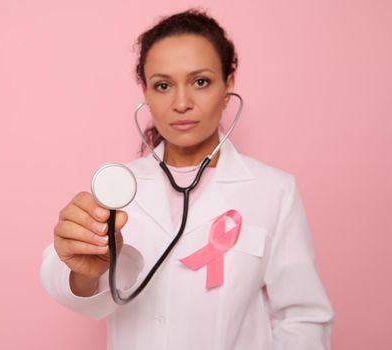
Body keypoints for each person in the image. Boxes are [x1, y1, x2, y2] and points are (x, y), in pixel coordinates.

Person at [40, 8, 334, 350]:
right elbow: (65, 282)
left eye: (200, 82)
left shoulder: (275, 191)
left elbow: (303, 318)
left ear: (228, 86)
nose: (181, 103)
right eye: (163, 85)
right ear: (146, 93)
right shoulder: (116, 188)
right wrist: (82, 269)